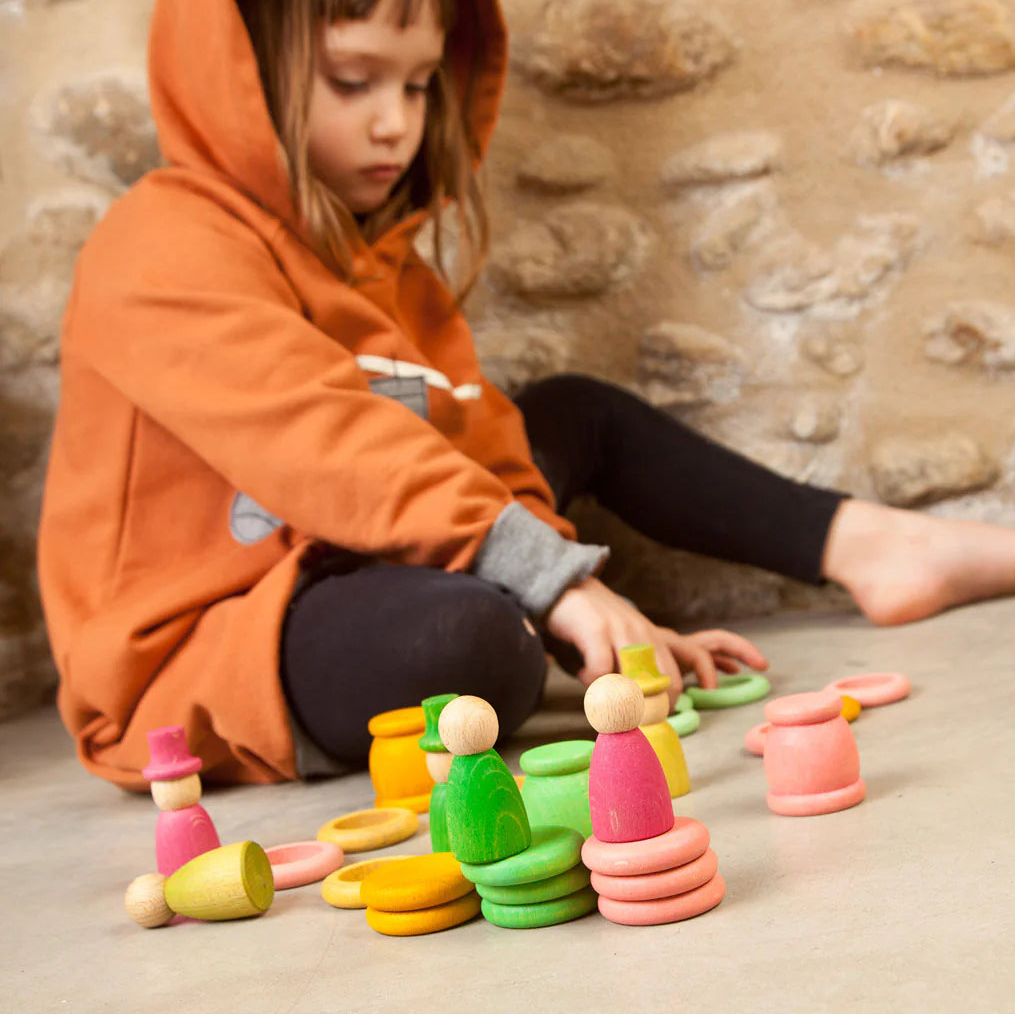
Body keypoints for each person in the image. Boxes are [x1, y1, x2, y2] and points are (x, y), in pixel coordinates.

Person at [36, 0, 1015, 791]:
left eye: (418, 83)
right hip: (218, 639)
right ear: (242, 73)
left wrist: (593, 609)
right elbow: (325, 442)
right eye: (352, 80)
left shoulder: (393, 270)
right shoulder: (158, 241)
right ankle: (512, 620)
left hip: (366, 555)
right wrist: (556, 587)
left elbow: (477, 451)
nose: (396, 122)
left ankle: (872, 545)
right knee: (470, 643)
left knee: (571, 414)